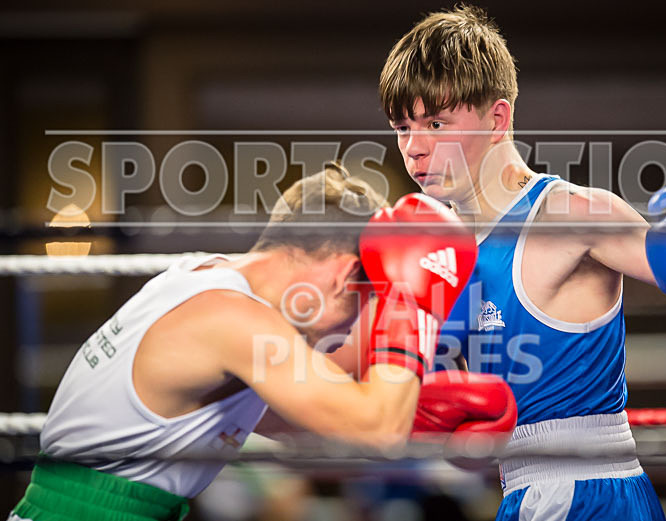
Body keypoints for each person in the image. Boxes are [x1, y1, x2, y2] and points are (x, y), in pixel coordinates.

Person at [379, 5, 666, 521]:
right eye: (401, 127)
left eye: (436, 122)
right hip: (519, 493)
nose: (414, 148)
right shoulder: (440, 254)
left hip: (595, 492)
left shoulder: (574, 214)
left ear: (498, 119)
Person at [9, 165, 519, 521]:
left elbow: (307, 427)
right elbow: (374, 431)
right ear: (345, 276)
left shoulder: (207, 278)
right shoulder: (233, 318)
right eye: (362, 306)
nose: (342, 334)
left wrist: (420, 419)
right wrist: (411, 302)